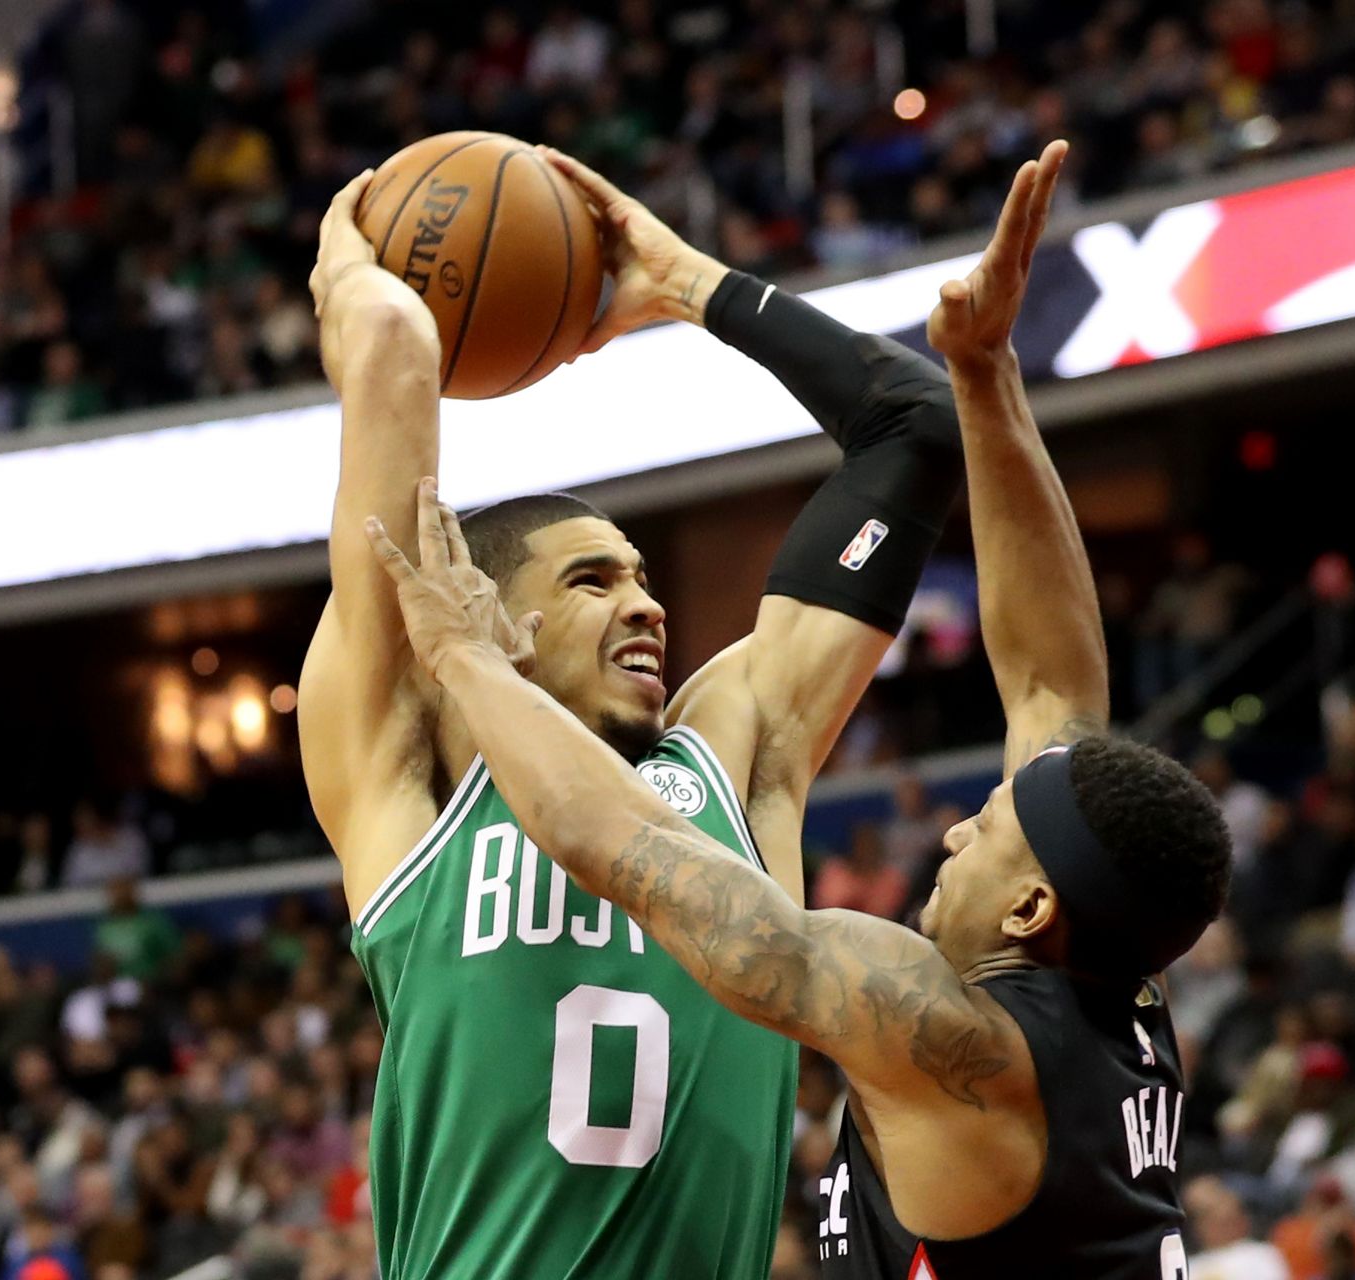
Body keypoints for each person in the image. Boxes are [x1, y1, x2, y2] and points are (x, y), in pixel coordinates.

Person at [370, 141, 1235, 1278]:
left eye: (991, 832)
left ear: (1030, 907)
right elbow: (1052, 685)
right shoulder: (1102, 965)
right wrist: (983, 377)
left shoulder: (958, 1042)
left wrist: (465, 655)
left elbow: (624, 845)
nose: (962, 827)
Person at [300, 139, 965, 1277]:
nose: (646, 602)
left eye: (646, 574)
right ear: (491, 618)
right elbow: (399, 344)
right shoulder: (409, 781)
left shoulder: (734, 754)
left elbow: (916, 424)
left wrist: (689, 283)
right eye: (592, 580)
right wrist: (343, 269)